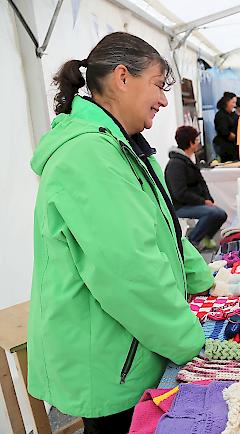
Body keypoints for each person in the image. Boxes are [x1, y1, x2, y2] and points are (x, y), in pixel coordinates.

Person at [28, 32, 213, 433]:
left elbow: (162, 228)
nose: (164, 100)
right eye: (158, 85)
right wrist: (191, 345)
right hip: (111, 361)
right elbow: (130, 270)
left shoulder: (117, 145)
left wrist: (205, 281)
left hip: (126, 348)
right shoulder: (89, 155)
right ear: (122, 78)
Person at [165, 126, 228, 250]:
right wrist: (203, 201)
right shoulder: (175, 165)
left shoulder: (188, 160)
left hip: (194, 203)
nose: (199, 142)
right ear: (190, 142)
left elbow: (201, 182)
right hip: (180, 207)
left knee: (221, 214)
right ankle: (190, 243)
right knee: (212, 213)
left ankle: (206, 237)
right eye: (197, 139)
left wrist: (208, 198)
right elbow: (180, 193)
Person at [213, 91, 238, 162]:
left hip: (232, 146)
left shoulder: (232, 115)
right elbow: (224, 132)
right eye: (233, 102)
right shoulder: (221, 115)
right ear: (227, 102)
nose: (234, 105)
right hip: (224, 147)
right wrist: (236, 138)